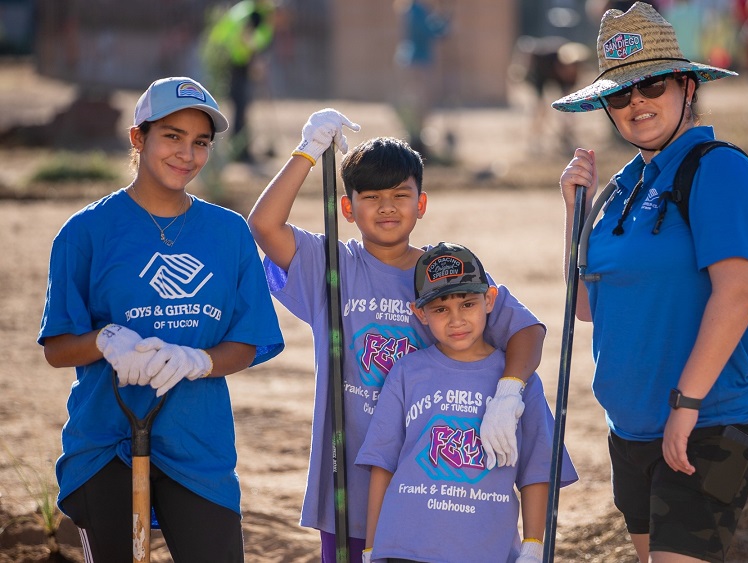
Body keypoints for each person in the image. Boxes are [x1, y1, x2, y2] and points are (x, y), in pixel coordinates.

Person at [247, 109, 546, 563]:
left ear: (421, 204)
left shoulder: (445, 277)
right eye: (370, 196)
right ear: (346, 209)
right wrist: (306, 153)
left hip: (429, 488)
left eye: (400, 194)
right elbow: (265, 225)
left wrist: (510, 392)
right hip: (348, 479)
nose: (386, 207)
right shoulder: (333, 267)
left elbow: (527, 331)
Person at [552, 3, 748, 562]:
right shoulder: (624, 184)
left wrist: (687, 404)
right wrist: (575, 218)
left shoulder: (720, 169)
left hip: (709, 421)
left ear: (687, 86)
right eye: (620, 94)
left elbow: (739, 292)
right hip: (632, 431)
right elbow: (585, 305)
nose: (636, 103)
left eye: (651, 84)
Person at [38, 76, 285, 561]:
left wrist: (197, 360)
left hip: (199, 444)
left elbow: (250, 340)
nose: (186, 154)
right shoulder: (86, 232)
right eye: (172, 136)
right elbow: (57, 347)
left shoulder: (228, 233)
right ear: (138, 137)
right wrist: (106, 340)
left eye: (200, 143)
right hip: (106, 441)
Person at [357, 242, 578, 563]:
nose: (456, 320)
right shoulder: (407, 371)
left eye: (467, 304)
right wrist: (371, 547)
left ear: (489, 300)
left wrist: (533, 546)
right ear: (420, 312)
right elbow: (382, 463)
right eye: (440, 309)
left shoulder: (518, 381)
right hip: (405, 545)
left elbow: (537, 471)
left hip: (485, 548)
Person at [204, 0, 276, 162]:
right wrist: (255, 60)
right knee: (241, 104)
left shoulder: (247, 9)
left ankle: (239, 147)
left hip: (229, 60)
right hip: (235, 62)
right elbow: (247, 36)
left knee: (240, 104)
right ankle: (240, 150)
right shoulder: (253, 14)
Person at [393, 0, 450, 158]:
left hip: (414, 59)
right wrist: (443, 20)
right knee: (420, 101)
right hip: (418, 61)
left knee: (419, 101)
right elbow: (427, 32)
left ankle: (418, 136)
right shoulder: (416, 10)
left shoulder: (415, 9)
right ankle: (416, 137)